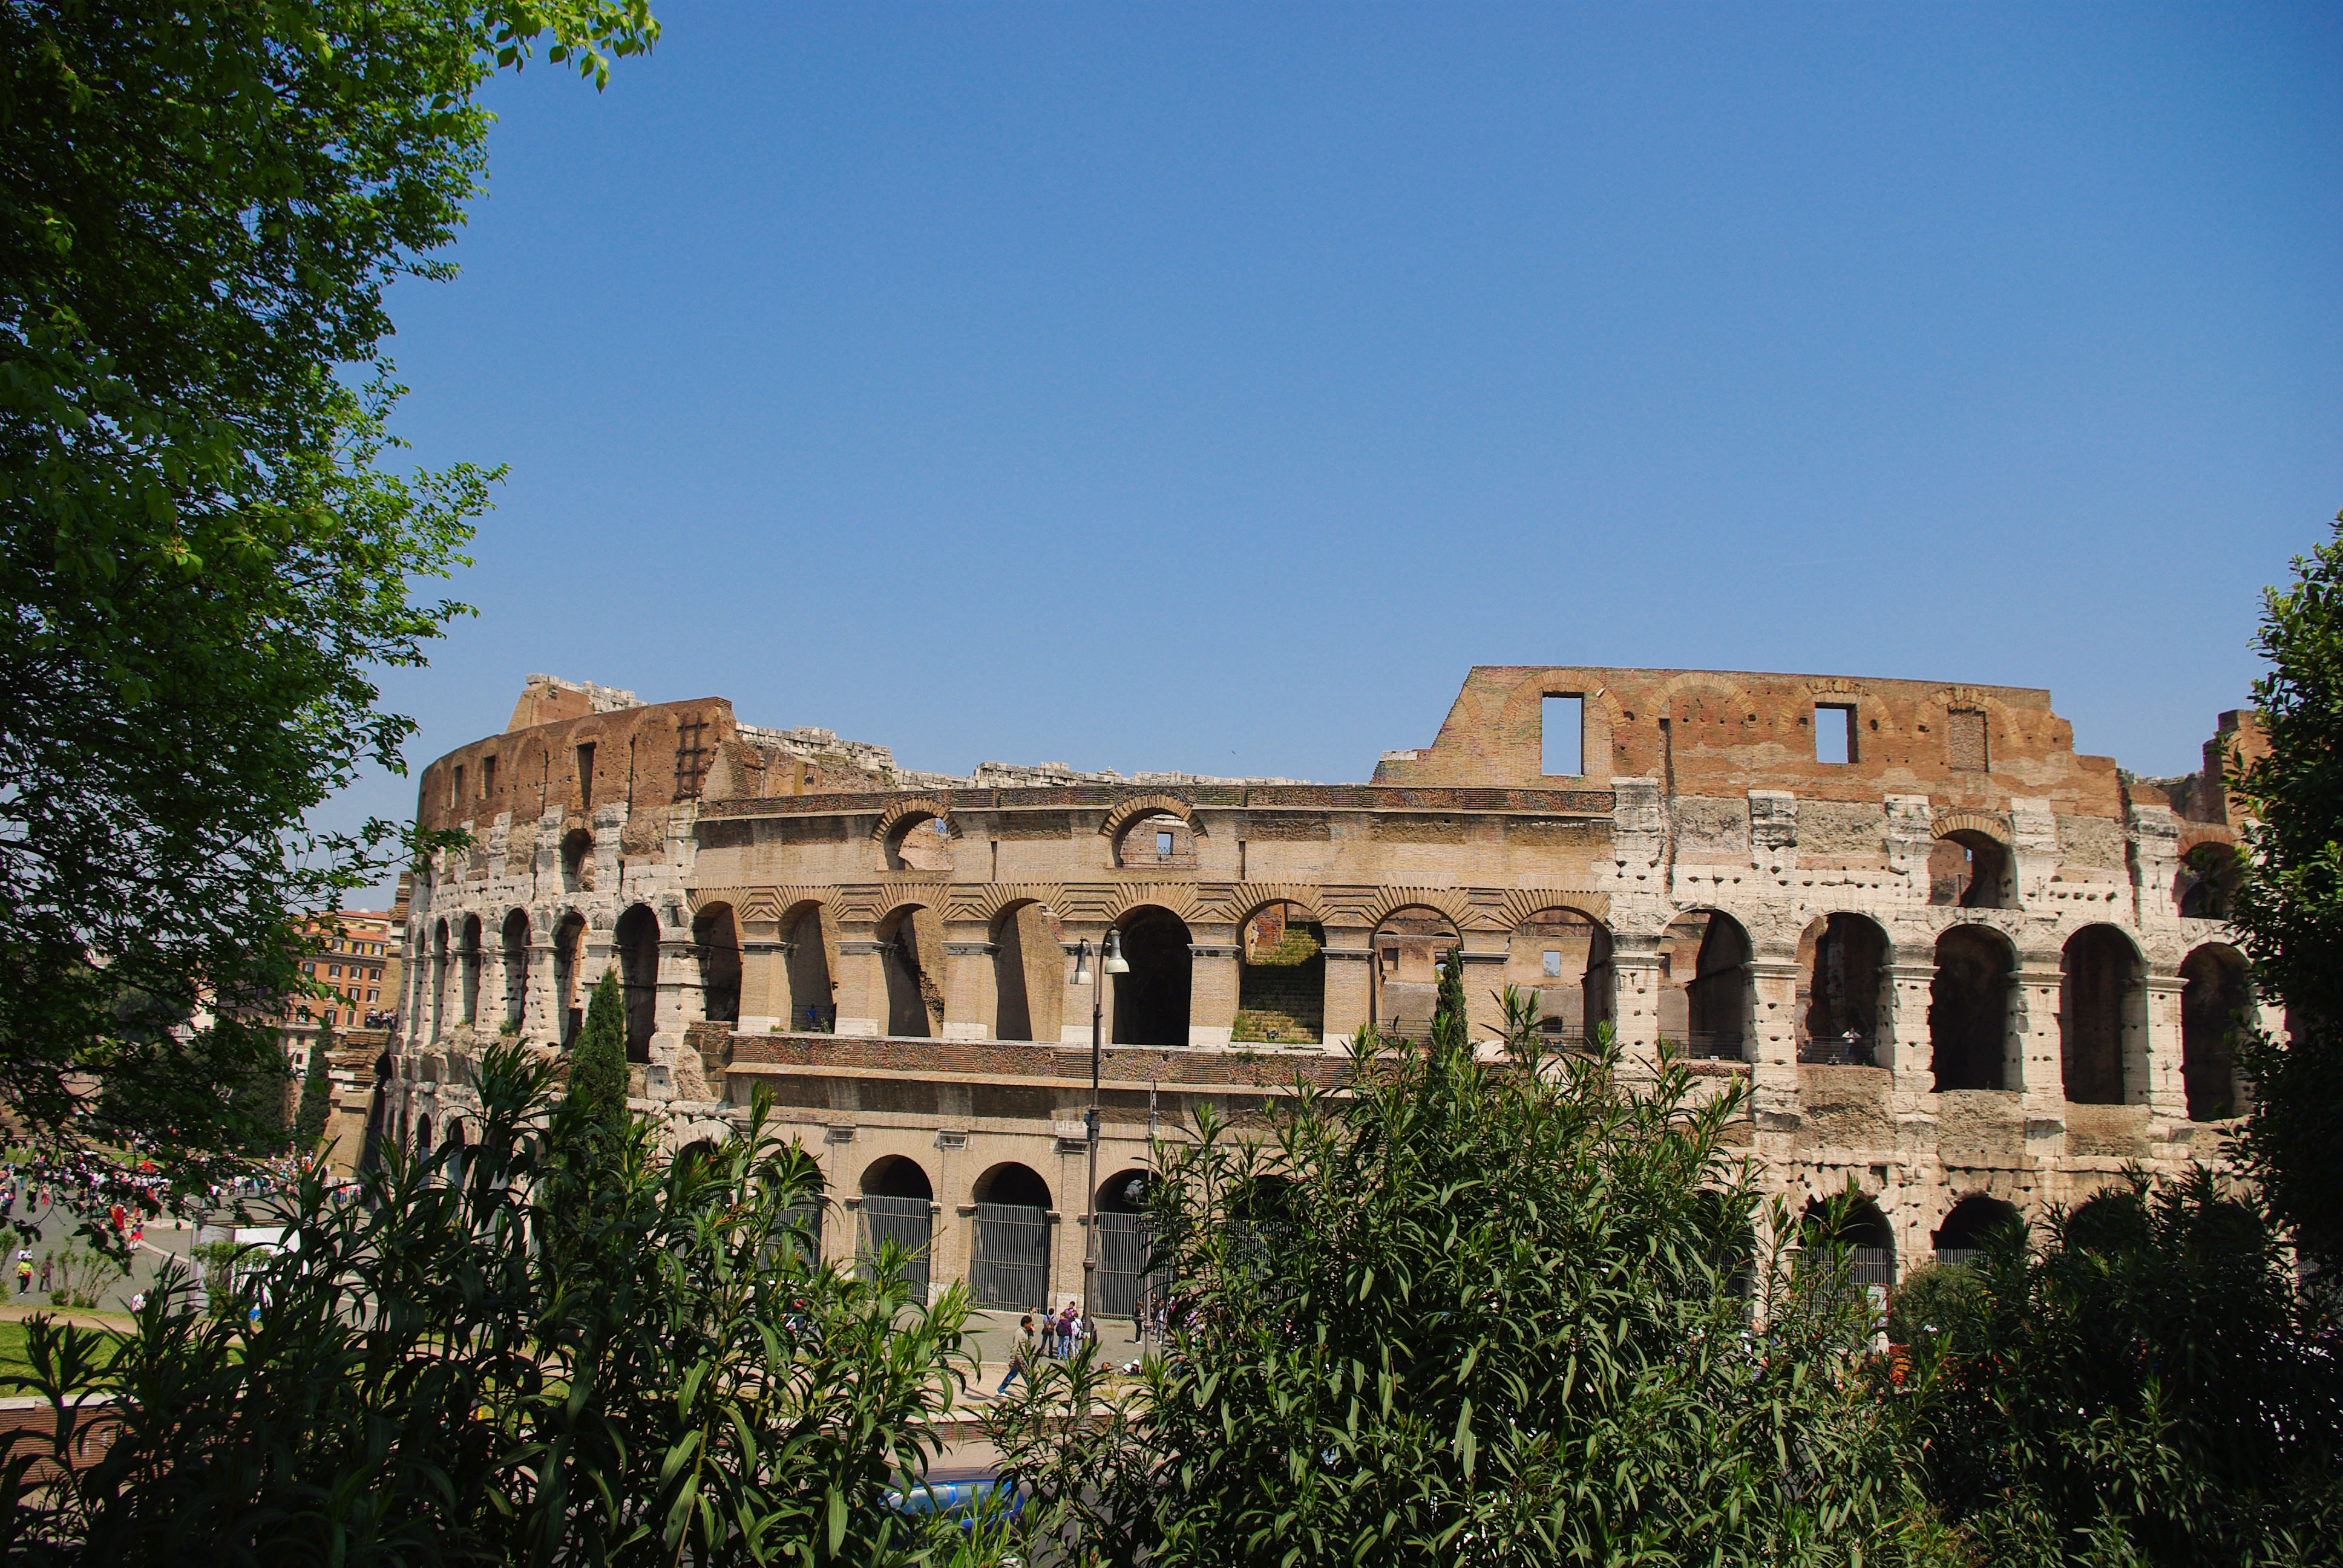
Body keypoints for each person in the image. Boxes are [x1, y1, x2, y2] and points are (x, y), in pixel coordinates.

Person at [997, 1315, 1037, 1394]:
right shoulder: (1019, 1333)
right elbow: (1015, 1347)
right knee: (1027, 1375)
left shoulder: (1025, 1332)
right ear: (1025, 1324)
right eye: (1030, 1324)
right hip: (1020, 1358)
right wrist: (1012, 1360)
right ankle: (1034, 1391)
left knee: (1012, 1374)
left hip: (1023, 1357)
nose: (1031, 1326)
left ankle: (1000, 1389)